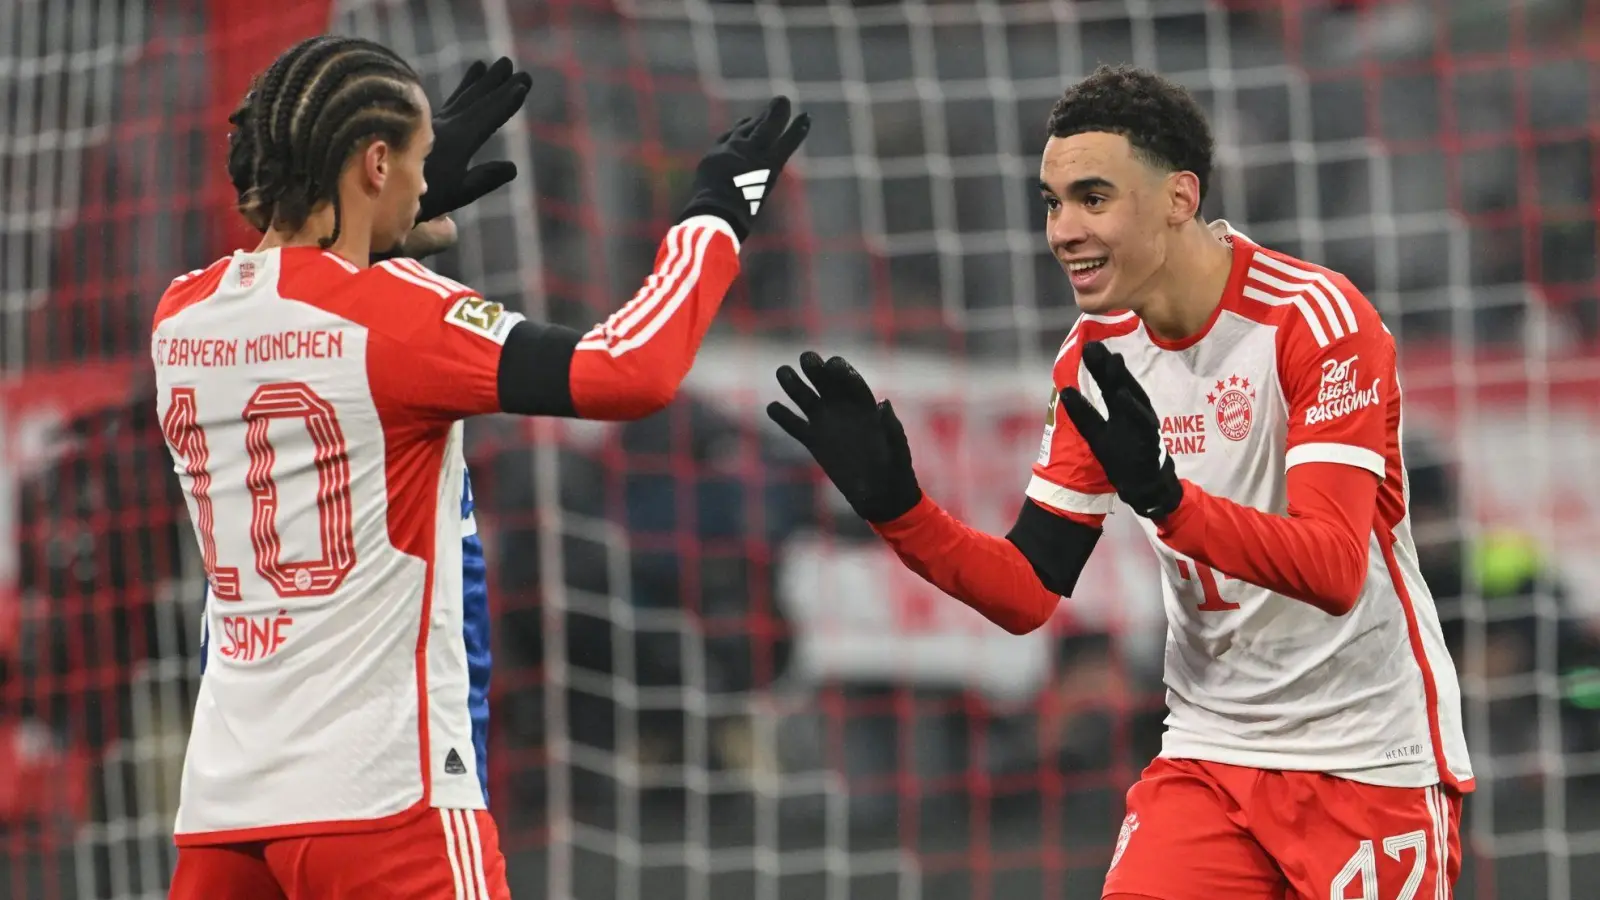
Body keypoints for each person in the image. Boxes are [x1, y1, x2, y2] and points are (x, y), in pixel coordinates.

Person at [767, 64, 1470, 900]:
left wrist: (1169, 502)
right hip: (1212, 756)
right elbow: (1028, 591)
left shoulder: (1315, 322)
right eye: (1052, 202)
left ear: (1179, 197)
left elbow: (1333, 570)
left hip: (1368, 758)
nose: (1063, 229)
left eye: (1092, 198)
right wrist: (900, 511)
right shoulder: (1094, 359)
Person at [154, 34, 808, 899]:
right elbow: (629, 369)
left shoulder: (182, 316)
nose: (433, 183)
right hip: (388, 797)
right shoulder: (399, 316)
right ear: (373, 163)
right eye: (418, 163)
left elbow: (309, 319)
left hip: (228, 807)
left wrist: (374, 223)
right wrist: (717, 214)